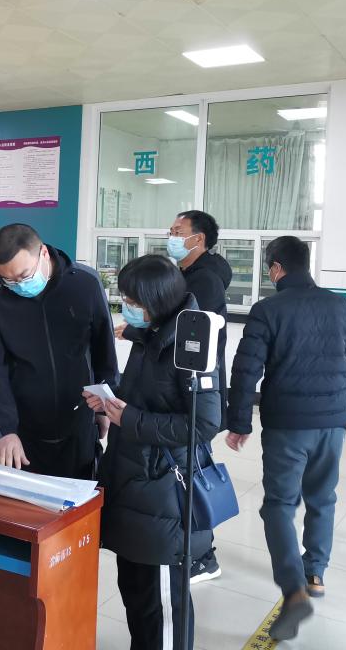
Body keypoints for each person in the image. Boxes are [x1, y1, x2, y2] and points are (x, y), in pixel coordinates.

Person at [226, 236, 346, 641]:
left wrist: (239, 422)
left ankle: (294, 591)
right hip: (333, 424)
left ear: (275, 268)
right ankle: (315, 573)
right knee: (322, 497)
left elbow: (246, 371)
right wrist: (336, 400)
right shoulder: (341, 305)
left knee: (278, 506)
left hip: (287, 424)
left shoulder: (268, 310)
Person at [84, 254, 220, 650]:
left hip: (163, 493)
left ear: (157, 300)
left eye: (133, 300)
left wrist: (131, 419)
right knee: (137, 592)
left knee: (161, 602)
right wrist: (111, 401)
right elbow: (147, 397)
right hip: (134, 482)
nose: (127, 307)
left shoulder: (191, 345)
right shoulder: (152, 335)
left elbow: (202, 425)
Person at [0, 223, 118, 480]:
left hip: (79, 420)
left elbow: (104, 349)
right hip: (26, 428)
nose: (18, 285)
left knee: (80, 496)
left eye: (24, 275)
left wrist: (104, 407)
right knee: (25, 499)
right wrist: (6, 431)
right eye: (8, 279)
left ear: (43, 253)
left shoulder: (85, 283)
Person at [167, 210, 232, 584]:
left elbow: (192, 337)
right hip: (181, 387)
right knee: (182, 473)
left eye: (179, 231)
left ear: (199, 239)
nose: (172, 235)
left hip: (196, 390)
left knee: (192, 474)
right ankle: (191, 550)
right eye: (171, 230)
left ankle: (204, 556)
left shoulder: (205, 281)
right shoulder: (186, 275)